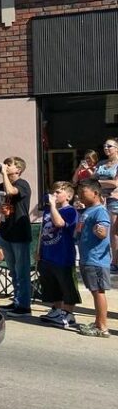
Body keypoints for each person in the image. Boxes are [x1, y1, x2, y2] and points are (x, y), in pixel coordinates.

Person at [0, 156, 33, 316]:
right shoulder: (0, 186)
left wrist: (3, 173)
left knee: (21, 270)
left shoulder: (22, 184)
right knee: (13, 271)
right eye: (6, 164)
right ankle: (17, 301)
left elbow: (11, 192)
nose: (6, 166)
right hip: (6, 231)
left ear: (18, 169)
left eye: (10, 165)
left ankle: (24, 306)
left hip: (19, 232)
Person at [37, 181, 80, 329]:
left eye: (57, 193)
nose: (54, 195)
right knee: (51, 284)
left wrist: (54, 206)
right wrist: (39, 251)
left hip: (63, 255)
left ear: (68, 196)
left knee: (66, 284)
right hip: (48, 254)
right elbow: (43, 232)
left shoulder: (70, 211)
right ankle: (56, 309)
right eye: (53, 192)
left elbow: (60, 224)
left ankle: (68, 313)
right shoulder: (48, 212)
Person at [74, 179, 111, 338]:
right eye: (79, 193)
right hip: (87, 258)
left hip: (96, 259)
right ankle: (97, 322)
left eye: (83, 193)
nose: (80, 196)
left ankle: (102, 327)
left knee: (98, 292)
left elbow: (104, 231)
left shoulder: (100, 211)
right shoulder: (87, 210)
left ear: (95, 193)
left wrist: (100, 231)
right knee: (94, 290)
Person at [93, 138, 118, 272]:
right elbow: (91, 178)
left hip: (114, 199)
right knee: (102, 230)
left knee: (113, 232)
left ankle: (114, 262)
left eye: (109, 146)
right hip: (101, 200)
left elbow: (115, 184)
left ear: (116, 148)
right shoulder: (101, 163)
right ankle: (105, 260)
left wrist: (98, 182)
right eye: (104, 146)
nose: (106, 148)